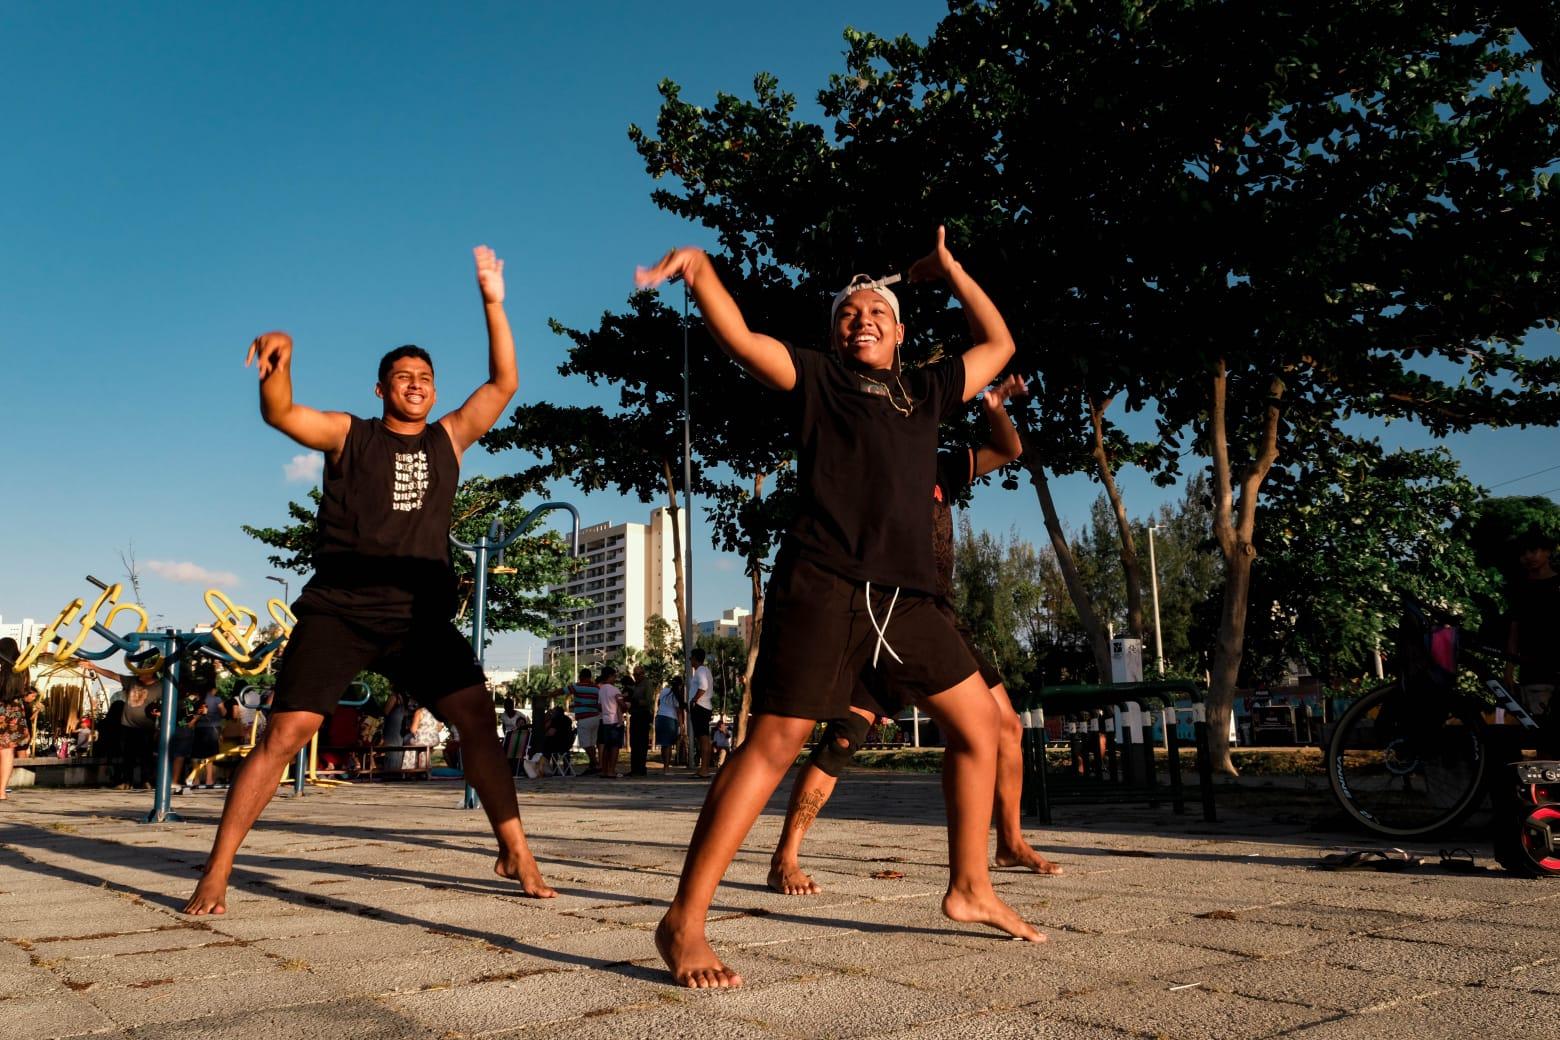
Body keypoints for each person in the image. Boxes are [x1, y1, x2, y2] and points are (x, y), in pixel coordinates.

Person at [636, 227, 1040, 989]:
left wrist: (949, 269)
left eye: (877, 313)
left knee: (981, 727)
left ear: (900, 330)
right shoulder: (818, 377)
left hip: (909, 598)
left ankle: (969, 887)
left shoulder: (926, 390)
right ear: (833, 332)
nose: (863, 320)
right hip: (823, 584)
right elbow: (742, 339)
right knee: (775, 744)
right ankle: (683, 920)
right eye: (849, 314)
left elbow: (1000, 340)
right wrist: (700, 271)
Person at [183, 245, 556, 916]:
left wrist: (493, 302)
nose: (415, 383)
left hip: (419, 619)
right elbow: (281, 413)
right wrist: (279, 365)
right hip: (341, 612)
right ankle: (217, 869)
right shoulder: (348, 436)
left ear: (434, 391)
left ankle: (515, 849)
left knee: (477, 720)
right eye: (402, 375)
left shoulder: (448, 439)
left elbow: (503, 384)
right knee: (285, 734)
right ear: (380, 387)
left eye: (425, 376)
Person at [767, 375, 1063, 896]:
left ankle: (1010, 841)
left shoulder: (940, 465)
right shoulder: (863, 459)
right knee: (841, 741)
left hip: (935, 615)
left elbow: (1007, 448)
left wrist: (994, 406)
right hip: (880, 614)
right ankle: (785, 856)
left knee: (1005, 727)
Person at [1506, 525, 1559, 724]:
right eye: (1523, 553)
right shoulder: (1520, 589)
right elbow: (1515, 630)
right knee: (1542, 731)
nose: (1528, 557)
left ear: (1547, 551)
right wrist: (1509, 668)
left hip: (1556, 669)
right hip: (1533, 672)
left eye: (1533, 550)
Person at [0, 637, 40, 800]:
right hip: (14, 711)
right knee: (8, 751)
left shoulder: (2, 666)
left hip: (1, 708)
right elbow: (23, 690)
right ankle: (1, 790)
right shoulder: (22, 667)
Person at [567, 669, 601, 774]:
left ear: (581, 677)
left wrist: (548, 695)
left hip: (584, 718)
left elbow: (562, 690)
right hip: (595, 717)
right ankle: (592, 766)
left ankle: (595, 762)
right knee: (591, 743)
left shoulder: (577, 687)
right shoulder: (596, 688)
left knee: (585, 744)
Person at [688, 650, 715, 778]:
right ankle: (703, 768)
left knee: (704, 739)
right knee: (702, 738)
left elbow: (703, 686)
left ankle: (704, 769)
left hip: (701, 707)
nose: (690, 661)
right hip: (703, 707)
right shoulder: (704, 671)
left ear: (694, 658)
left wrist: (694, 699)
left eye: (690, 658)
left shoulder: (701, 671)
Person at [596, 666, 625, 779]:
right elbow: (622, 704)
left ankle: (604, 770)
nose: (615, 678)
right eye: (614, 676)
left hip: (604, 720)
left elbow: (599, 706)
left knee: (606, 747)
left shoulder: (601, 689)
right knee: (614, 747)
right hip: (615, 721)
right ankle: (611, 770)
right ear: (610, 676)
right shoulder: (615, 690)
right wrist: (624, 706)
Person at [626, 665, 654, 776]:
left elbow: (648, 701)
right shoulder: (635, 685)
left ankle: (641, 768)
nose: (636, 676)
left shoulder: (647, 684)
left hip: (643, 715)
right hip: (635, 715)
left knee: (641, 743)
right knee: (634, 743)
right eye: (634, 674)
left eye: (638, 674)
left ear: (643, 674)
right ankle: (634, 768)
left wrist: (634, 701)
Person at [656, 676, 683, 772]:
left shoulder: (664, 691)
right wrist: (681, 726)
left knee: (664, 744)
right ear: (680, 685)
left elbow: (659, 703)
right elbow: (679, 712)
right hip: (670, 719)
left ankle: (664, 765)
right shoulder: (676, 695)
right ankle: (666, 768)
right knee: (668, 745)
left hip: (660, 717)